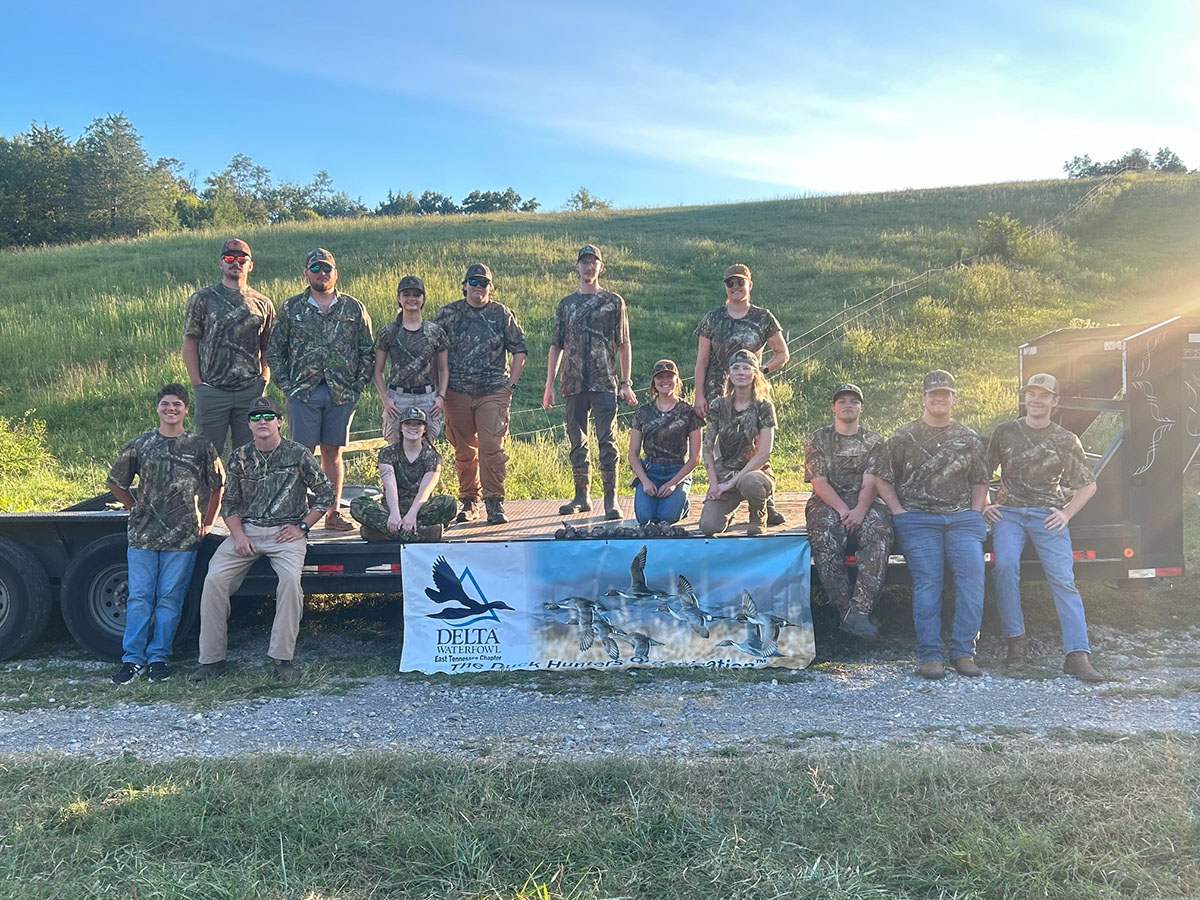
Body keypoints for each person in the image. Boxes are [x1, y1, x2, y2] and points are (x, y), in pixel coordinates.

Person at [189, 397, 334, 683]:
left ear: (280, 422)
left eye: (269, 416)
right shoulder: (240, 456)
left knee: (291, 583)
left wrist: (302, 526)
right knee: (214, 580)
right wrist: (239, 535)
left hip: (286, 533)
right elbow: (230, 504)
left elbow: (325, 494)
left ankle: (282, 660)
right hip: (248, 531)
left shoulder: (298, 454)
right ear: (249, 425)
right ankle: (211, 660)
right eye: (256, 417)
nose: (262, 421)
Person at [986, 373, 1103, 682]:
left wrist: (1066, 513)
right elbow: (980, 472)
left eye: (1043, 395)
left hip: (1046, 514)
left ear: (1055, 401)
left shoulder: (1065, 439)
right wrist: (986, 503)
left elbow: (1088, 486)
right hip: (1009, 514)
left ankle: (1077, 655)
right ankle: (1016, 643)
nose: (1035, 399)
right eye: (1030, 394)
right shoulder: (1005, 432)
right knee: (1005, 568)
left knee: (1063, 579)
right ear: (1024, 399)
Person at [874, 370, 990, 680]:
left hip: (961, 519)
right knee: (929, 581)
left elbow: (981, 479)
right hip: (918, 519)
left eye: (945, 394)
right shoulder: (903, 436)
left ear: (954, 398)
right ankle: (930, 654)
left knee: (973, 578)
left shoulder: (969, 437)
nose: (939, 398)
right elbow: (882, 478)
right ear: (924, 398)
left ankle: (964, 652)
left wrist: (975, 513)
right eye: (933, 394)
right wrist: (899, 511)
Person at [106, 384, 224, 684]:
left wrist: (208, 521)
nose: (171, 409)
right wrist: (134, 507)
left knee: (170, 600)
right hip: (143, 536)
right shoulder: (141, 444)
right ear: (157, 408)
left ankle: (159, 658)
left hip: (183, 537)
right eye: (165, 404)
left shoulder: (200, 446)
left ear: (186, 410)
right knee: (139, 598)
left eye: (177, 405)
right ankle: (132, 660)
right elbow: (115, 481)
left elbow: (217, 485)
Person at [267, 248, 374, 532]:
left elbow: (367, 350)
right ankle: (297, 513)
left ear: (335, 273)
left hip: (341, 392)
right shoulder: (291, 308)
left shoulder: (353, 307)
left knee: (333, 453)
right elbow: (275, 351)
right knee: (302, 453)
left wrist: (358, 385)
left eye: (326, 268)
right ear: (306, 273)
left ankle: (332, 513)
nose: (321, 273)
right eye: (315, 268)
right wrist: (287, 385)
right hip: (303, 392)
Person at [542, 245, 636, 519]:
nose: (588, 267)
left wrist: (626, 381)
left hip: (604, 381)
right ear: (577, 267)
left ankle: (611, 500)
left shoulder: (613, 301)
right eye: (584, 263)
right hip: (572, 383)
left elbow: (623, 343)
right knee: (576, 440)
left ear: (600, 267)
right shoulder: (566, 304)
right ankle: (582, 496)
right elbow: (555, 346)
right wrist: (549, 384)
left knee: (608, 440)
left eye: (593, 263)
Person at [693, 263, 790, 526]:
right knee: (720, 448)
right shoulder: (713, 318)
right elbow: (701, 361)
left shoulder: (763, 317)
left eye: (740, 282)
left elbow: (782, 354)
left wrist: (761, 370)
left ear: (750, 284)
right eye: (730, 283)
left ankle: (763, 503)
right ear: (725, 287)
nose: (735, 287)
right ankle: (724, 496)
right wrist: (698, 395)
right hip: (718, 392)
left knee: (756, 445)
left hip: (752, 392)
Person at [434, 263, 528, 526]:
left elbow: (520, 349)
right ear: (464, 285)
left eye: (484, 283)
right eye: (473, 282)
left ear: (491, 287)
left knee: (491, 449)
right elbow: (435, 350)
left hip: (493, 391)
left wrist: (510, 384)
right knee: (464, 450)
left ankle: (494, 502)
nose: (478, 287)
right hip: (457, 392)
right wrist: (439, 391)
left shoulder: (501, 314)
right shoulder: (449, 313)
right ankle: (469, 501)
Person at [804, 383, 893, 638]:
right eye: (842, 401)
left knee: (879, 532)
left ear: (861, 408)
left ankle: (861, 610)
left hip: (865, 500)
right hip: (828, 500)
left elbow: (871, 481)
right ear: (833, 407)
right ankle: (845, 612)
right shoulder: (818, 438)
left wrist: (859, 511)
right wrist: (844, 511)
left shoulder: (874, 441)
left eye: (853, 401)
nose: (847, 405)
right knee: (823, 536)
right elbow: (818, 482)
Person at [182, 238, 274, 456]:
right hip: (212, 390)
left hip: (249, 391)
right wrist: (197, 383)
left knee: (248, 456)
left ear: (250, 265)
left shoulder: (263, 303)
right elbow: (190, 341)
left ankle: (241, 492)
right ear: (221, 264)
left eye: (242, 259)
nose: (236, 263)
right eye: (230, 258)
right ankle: (210, 492)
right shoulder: (202, 299)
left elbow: (267, 346)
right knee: (207, 455)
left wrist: (264, 378)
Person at [699, 349, 777, 536]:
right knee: (709, 527)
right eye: (735, 368)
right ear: (729, 374)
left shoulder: (764, 406)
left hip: (755, 473)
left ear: (755, 373)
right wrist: (714, 484)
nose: (741, 372)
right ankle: (729, 509)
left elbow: (764, 453)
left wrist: (732, 482)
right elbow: (707, 448)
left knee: (750, 482)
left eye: (746, 368)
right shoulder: (718, 405)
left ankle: (758, 513)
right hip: (725, 473)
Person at [350, 407, 457, 542]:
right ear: (401, 427)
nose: (413, 427)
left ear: (424, 429)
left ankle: (385, 533)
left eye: (418, 423)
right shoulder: (387, 453)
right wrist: (394, 515)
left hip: (420, 510)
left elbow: (425, 490)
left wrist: (411, 515)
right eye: (408, 423)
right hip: (391, 510)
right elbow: (390, 486)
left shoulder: (432, 456)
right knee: (357, 504)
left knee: (449, 503)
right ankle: (421, 533)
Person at [373, 274, 449, 443]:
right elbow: (377, 370)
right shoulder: (389, 332)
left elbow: (444, 369)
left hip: (427, 399)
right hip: (398, 399)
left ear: (423, 299)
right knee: (395, 448)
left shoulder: (435, 332)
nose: (411, 299)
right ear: (399, 298)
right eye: (406, 294)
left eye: (416, 294)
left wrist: (441, 397)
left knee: (426, 449)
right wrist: (386, 400)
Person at [628, 359, 703, 528]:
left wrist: (673, 483)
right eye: (660, 377)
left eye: (670, 376)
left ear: (677, 380)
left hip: (677, 469)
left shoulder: (689, 412)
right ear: (654, 382)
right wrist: (645, 481)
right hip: (651, 469)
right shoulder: (642, 412)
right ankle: (660, 499)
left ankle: (683, 504)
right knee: (645, 518)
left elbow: (695, 458)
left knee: (667, 517)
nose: (665, 381)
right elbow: (633, 454)